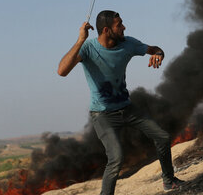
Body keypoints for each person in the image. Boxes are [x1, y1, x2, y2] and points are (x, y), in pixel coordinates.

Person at [57, 10, 184, 194]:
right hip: (103, 115)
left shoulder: (128, 44)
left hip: (127, 108)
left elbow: (154, 49)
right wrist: (80, 40)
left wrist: (158, 54)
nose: (124, 27)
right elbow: (62, 71)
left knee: (162, 137)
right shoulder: (88, 49)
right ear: (107, 30)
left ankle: (168, 181)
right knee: (116, 158)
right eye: (120, 25)